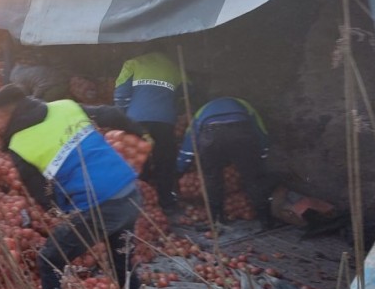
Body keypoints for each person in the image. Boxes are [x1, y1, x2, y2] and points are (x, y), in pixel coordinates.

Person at [0, 84, 149, 289]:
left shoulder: (19, 143)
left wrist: (64, 213)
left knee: (50, 259)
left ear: (9, 112)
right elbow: (111, 114)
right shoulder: (65, 106)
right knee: (123, 267)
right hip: (128, 191)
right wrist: (141, 134)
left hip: (98, 206)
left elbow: (42, 193)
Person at [176, 96, 272, 227]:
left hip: (211, 135)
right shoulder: (243, 104)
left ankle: (217, 219)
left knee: (212, 178)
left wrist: (180, 167)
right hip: (240, 132)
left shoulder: (202, 111)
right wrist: (262, 156)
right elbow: (260, 130)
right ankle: (265, 219)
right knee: (252, 177)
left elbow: (190, 140)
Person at [114, 41, 185, 210]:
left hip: (136, 120)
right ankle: (166, 202)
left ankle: (140, 202)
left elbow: (121, 93)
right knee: (164, 161)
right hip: (165, 121)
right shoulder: (174, 67)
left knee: (139, 159)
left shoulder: (133, 63)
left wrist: (122, 117)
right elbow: (186, 93)